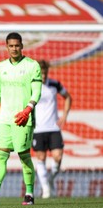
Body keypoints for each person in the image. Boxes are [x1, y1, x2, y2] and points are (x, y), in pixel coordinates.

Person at [0, 32, 42, 206]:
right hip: (5, 118)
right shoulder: (0, 67)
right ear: (6, 47)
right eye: (11, 45)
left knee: (24, 156)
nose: (14, 48)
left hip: (23, 118)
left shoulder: (32, 66)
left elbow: (37, 91)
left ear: (22, 46)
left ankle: (29, 194)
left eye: (17, 45)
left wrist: (28, 109)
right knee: (1, 154)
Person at [32, 60, 72, 198]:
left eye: (45, 73)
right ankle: (46, 190)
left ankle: (50, 180)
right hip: (38, 129)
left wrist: (65, 115)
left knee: (58, 156)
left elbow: (67, 97)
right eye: (41, 73)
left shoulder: (55, 84)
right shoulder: (32, 86)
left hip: (53, 127)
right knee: (41, 158)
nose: (43, 76)